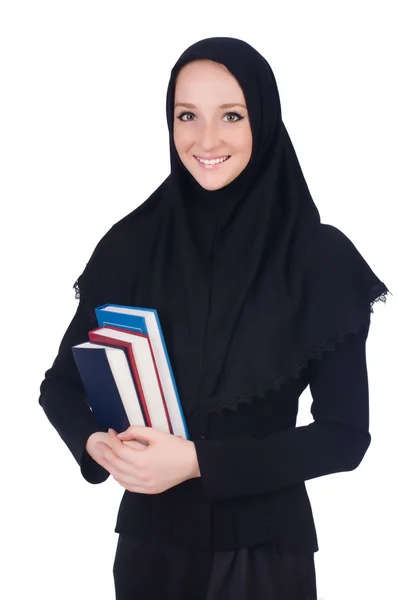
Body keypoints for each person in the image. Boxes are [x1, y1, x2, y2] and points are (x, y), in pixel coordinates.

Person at [38, 37, 389, 599]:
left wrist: (200, 462)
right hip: (148, 550)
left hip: (265, 554)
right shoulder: (133, 245)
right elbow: (60, 385)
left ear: (265, 120)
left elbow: (344, 439)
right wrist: (93, 443)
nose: (206, 140)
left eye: (231, 115)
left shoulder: (318, 259)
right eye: (186, 116)